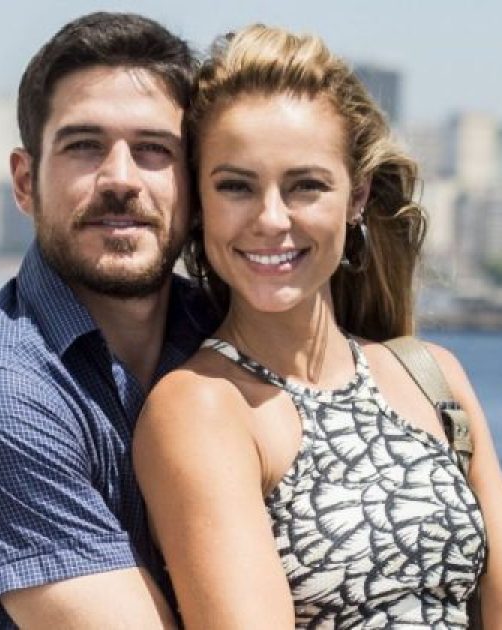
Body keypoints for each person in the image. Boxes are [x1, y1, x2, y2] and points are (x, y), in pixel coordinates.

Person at [134, 24, 502, 628]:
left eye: (306, 185)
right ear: (200, 206)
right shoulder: (201, 408)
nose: (271, 219)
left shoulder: (433, 376)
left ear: (356, 197)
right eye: (236, 186)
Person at [0, 12, 214, 629]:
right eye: (84, 146)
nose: (120, 179)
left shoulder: (224, 338)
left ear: (195, 185)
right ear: (24, 182)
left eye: (154, 149)